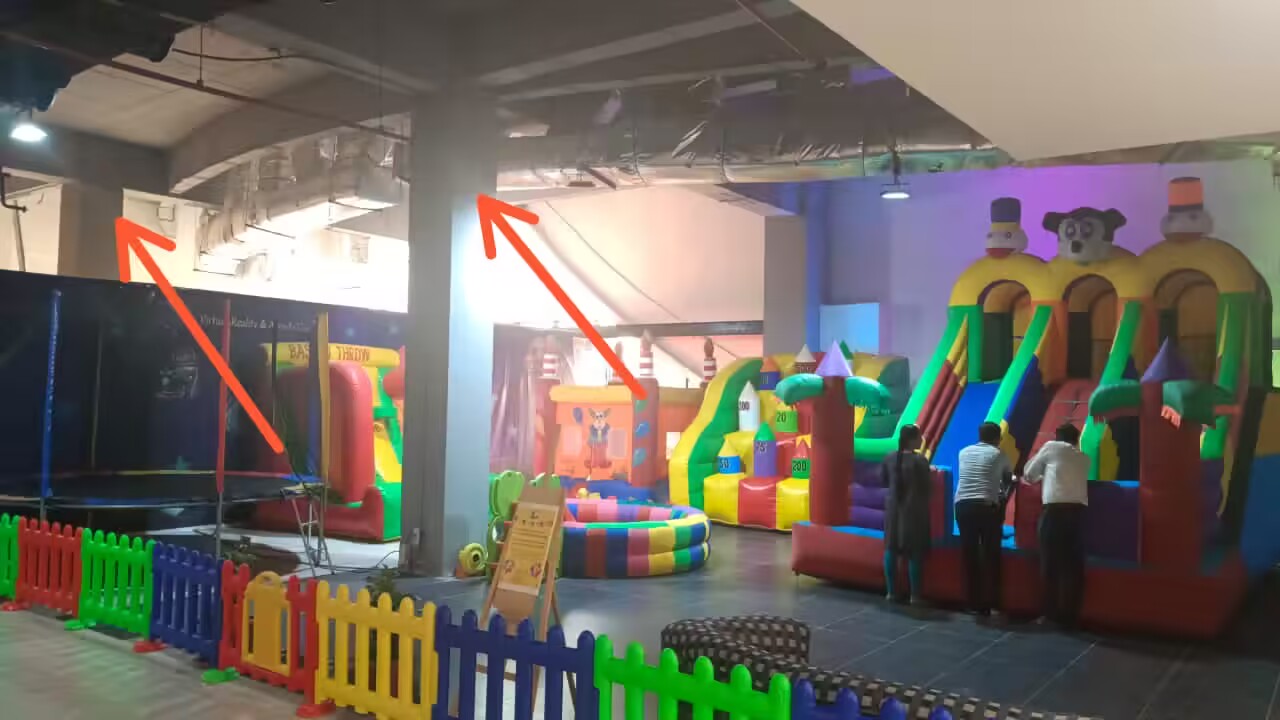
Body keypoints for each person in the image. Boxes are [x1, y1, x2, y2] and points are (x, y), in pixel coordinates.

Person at [1023, 423, 1090, 627]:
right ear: (1076, 440)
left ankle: (1049, 615)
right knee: (1072, 567)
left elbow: (1029, 474)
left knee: (1049, 564)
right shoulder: (1084, 458)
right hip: (1077, 514)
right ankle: (1070, 616)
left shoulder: (1051, 447)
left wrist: (1043, 473)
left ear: (1057, 437)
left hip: (1055, 513)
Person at [955, 422, 1012, 616]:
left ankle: (973, 604)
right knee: (991, 555)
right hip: (987, 508)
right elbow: (1008, 479)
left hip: (963, 506)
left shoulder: (963, 452)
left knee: (970, 554)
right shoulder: (999, 454)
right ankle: (993, 604)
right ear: (997, 438)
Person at [882, 424, 931, 605]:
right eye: (919, 436)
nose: (921, 439)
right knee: (914, 553)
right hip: (914, 511)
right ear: (912, 440)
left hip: (893, 509)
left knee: (891, 549)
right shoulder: (920, 461)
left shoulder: (889, 457)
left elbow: (884, 480)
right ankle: (915, 596)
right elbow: (927, 487)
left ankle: (891, 592)